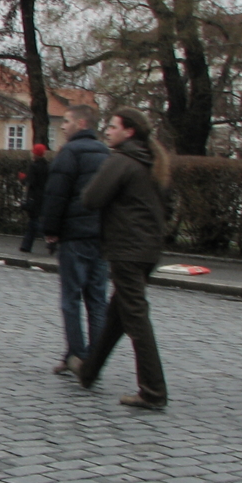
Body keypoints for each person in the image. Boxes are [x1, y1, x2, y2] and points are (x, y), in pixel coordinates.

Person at [69, 107, 171, 410]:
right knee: (118, 315)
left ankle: (153, 391)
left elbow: (91, 198)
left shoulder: (123, 161)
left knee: (136, 318)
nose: (108, 132)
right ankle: (88, 371)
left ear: (129, 132)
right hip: (147, 249)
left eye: (113, 127)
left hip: (127, 249)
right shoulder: (152, 162)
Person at [41, 105, 110, 375]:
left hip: (74, 234)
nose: (63, 126)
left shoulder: (69, 153)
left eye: (67, 121)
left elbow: (57, 195)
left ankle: (77, 354)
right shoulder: (106, 153)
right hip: (100, 235)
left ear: (81, 123)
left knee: (71, 298)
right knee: (97, 299)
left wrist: (51, 229)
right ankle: (96, 355)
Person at [18, 143, 50, 253]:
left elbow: (30, 182)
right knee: (33, 222)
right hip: (43, 197)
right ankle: (25, 246)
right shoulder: (47, 166)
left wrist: (23, 178)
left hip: (33, 198)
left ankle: (50, 240)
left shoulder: (34, 166)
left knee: (35, 222)